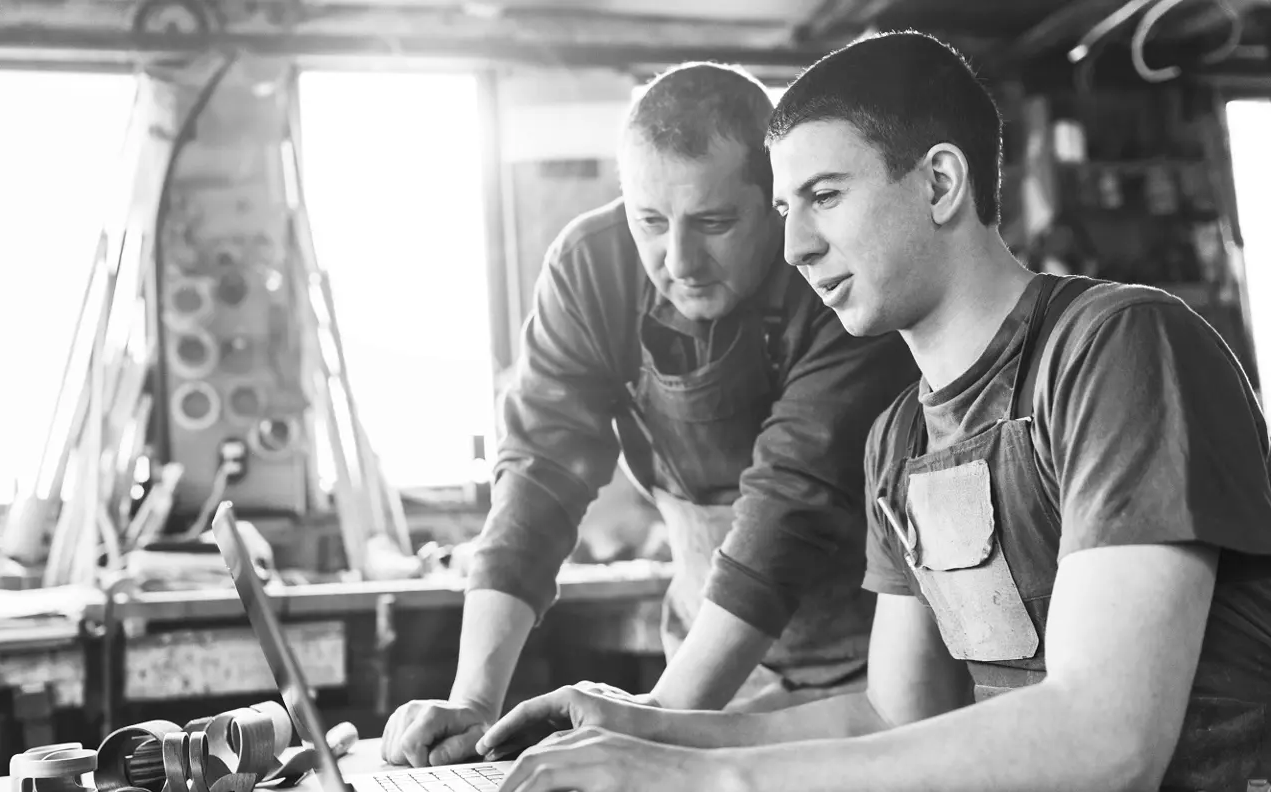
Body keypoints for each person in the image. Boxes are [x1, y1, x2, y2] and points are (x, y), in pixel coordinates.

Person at [476, 31, 1271, 792]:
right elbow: (890, 715)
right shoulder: (900, 438)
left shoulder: (1120, 347)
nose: (795, 248)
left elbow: (1107, 742)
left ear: (939, 183)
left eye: (825, 196)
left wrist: (696, 776)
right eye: (787, 209)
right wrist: (643, 730)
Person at [380, 62, 917, 767]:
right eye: (651, 223)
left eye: (715, 222)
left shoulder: (835, 279)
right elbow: (537, 482)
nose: (680, 260)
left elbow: (793, 507)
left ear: (777, 203)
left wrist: (656, 725)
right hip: (707, 657)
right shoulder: (589, 267)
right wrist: (475, 701)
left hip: (869, 675)